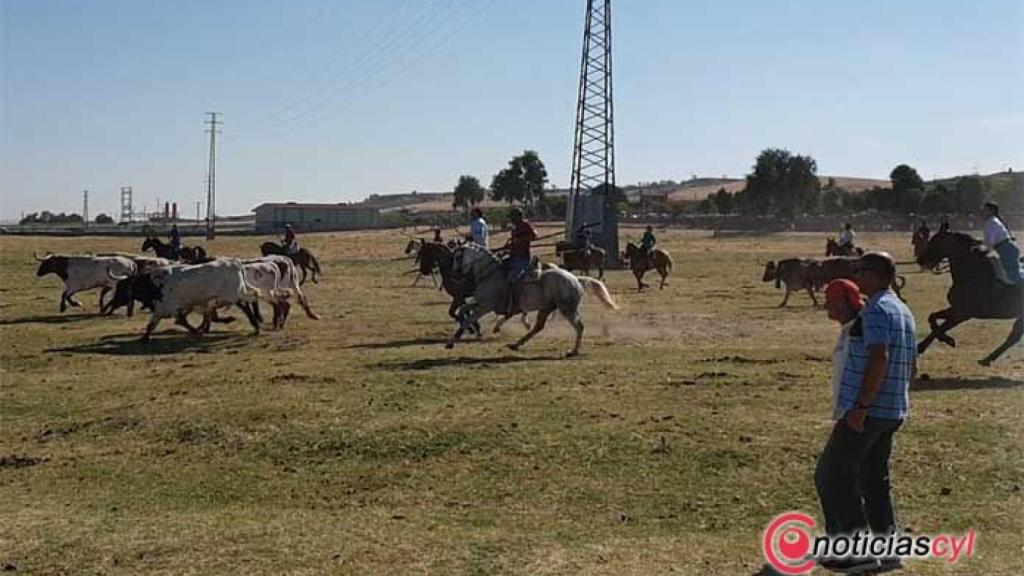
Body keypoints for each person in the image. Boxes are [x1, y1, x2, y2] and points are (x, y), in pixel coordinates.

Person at [815, 252, 915, 574]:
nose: (857, 277)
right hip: (893, 409)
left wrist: (861, 406)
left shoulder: (875, 310)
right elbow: (910, 364)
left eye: (860, 271)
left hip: (868, 411)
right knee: (874, 479)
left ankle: (857, 553)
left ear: (874, 274)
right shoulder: (902, 309)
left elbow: (878, 357)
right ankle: (888, 549)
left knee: (833, 476)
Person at [500, 207, 536, 315]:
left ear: (518, 217)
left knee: (513, 278)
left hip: (522, 258)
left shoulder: (526, 225)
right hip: (513, 256)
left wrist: (520, 240)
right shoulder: (515, 227)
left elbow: (534, 235)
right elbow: (514, 242)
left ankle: (516, 303)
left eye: (512, 217)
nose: (511, 219)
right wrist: (507, 247)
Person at [981, 201, 1023, 285]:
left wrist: (982, 251)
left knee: (1014, 276)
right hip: (1007, 250)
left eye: (985, 210)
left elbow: (990, 243)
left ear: (991, 211)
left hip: (1007, 251)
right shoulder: (993, 221)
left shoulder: (991, 223)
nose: (982, 212)